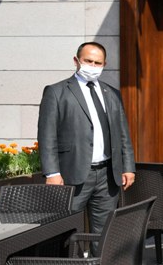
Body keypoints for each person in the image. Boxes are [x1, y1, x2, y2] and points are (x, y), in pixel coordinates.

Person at [38, 41, 136, 238]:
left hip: (108, 176)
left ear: (104, 65)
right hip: (72, 175)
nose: (92, 66)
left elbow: (122, 133)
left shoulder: (112, 93)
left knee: (104, 234)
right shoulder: (56, 92)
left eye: (97, 63)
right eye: (88, 61)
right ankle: (69, 260)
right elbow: (47, 135)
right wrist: (52, 173)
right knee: (65, 231)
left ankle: (98, 260)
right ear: (76, 61)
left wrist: (128, 167)